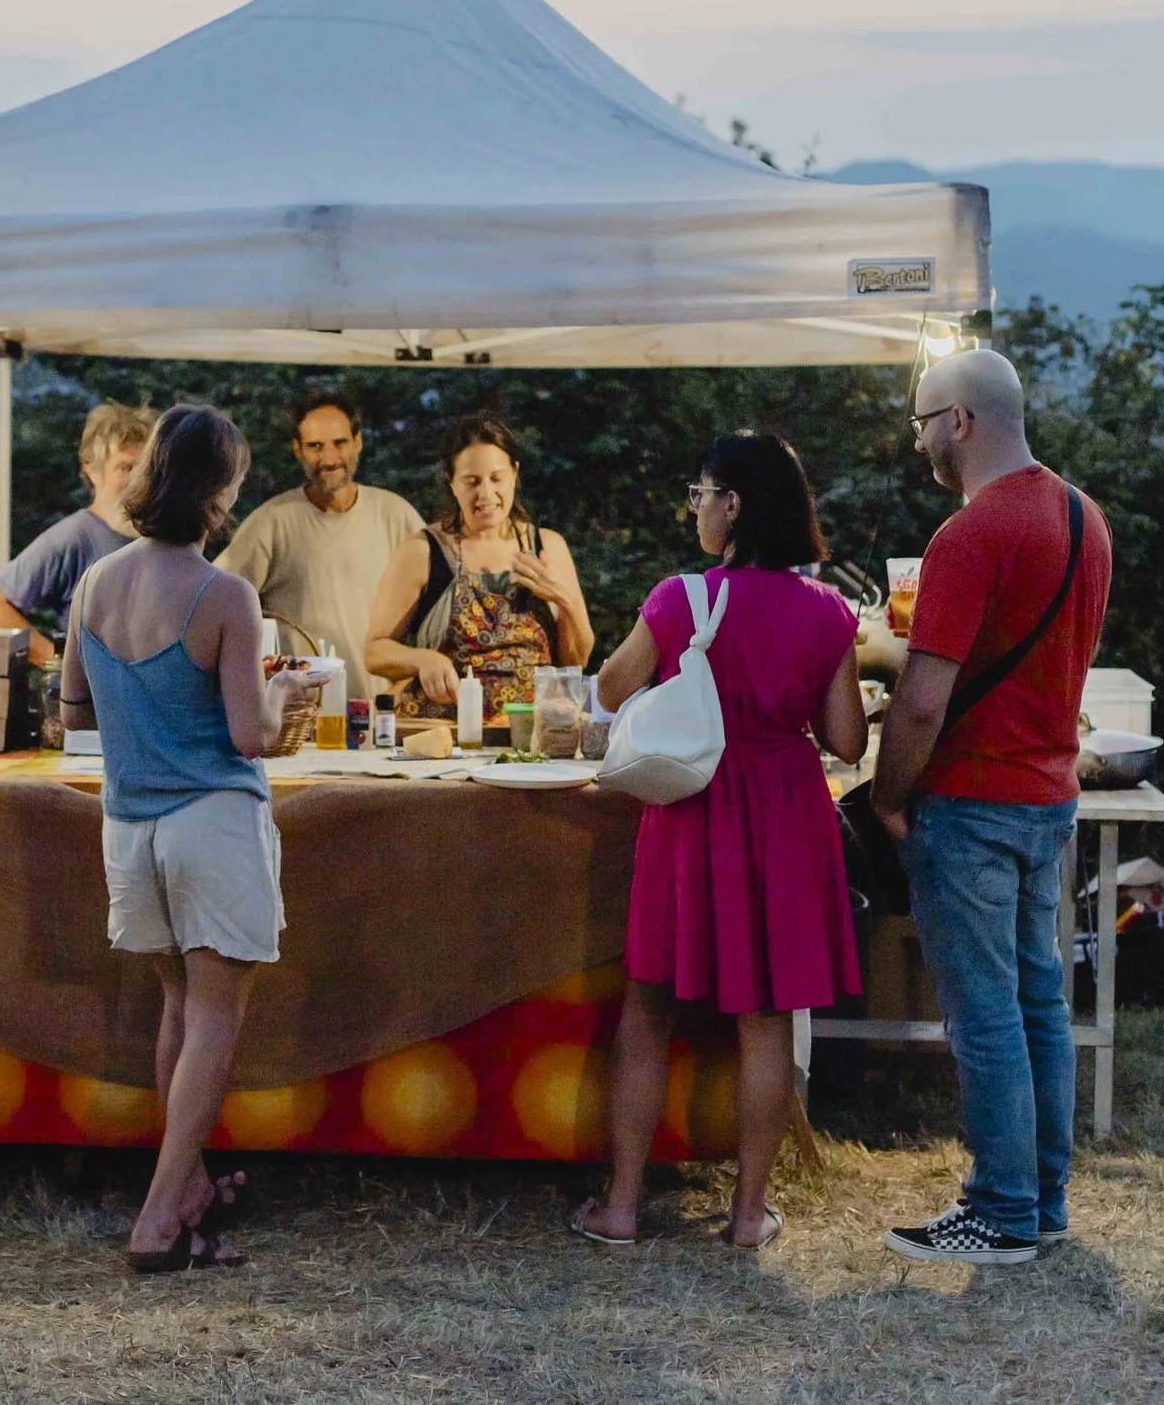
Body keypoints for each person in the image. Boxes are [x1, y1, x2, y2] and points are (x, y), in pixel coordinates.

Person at [573, 431, 867, 1251]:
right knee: (767, 1019)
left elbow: (609, 686)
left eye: (701, 491)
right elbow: (845, 739)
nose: (695, 506)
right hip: (782, 817)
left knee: (649, 1009)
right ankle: (746, 1214)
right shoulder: (827, 611)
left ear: (733, 504)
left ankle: (623, 1207)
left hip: (692, 816)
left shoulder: (679, 599)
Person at [56, 404, 325, 1273]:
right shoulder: (224, 594)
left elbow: (71, 711)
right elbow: (251, 735)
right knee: (214, 1016)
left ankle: (191, 1182)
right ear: (217, 492)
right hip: (211, 819)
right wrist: (284, 695)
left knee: (179, 1005)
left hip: (130, 824)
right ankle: (159, 1214)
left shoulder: (94, 585)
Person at [869, 348, 1112, 1267]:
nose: (921, 442)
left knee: (984, 1015)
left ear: (960, 422)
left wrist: (891, 799)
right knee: (1038, 1002)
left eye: (923, 423)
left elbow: (925, 699)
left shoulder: (966, 536)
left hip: (970, 804)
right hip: (1050, 796)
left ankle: (1002, 1210)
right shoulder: (1087, 518)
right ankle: (1044, 1201)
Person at [364, 412, 594, 721]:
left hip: (532, 736)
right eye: (472, 482)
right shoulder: (423, 551)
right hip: (445, 731)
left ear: (515, 474)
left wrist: (566, 600)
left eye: (496, 478)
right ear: (451, 482)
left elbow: (575, 662)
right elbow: (375, 652)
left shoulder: (547, 547)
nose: (485, 494)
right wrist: (423, 659)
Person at [217, 391, 422, 698]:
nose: (329, 459)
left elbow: (442, 612)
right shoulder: (271, 522)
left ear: (358, 442)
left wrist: (408, 682)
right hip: (302, 720)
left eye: (339, 443)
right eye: (315, 446)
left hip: (381, 715)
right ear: (297, 449)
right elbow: (217, 598)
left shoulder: (396, 515)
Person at [0, 402, 154, 664]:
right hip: (92, 701)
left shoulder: (155, 537)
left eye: (145, 468)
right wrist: (58, 665)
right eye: (124, 468)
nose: (137, 481)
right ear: (92, 470)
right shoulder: (75, 535)